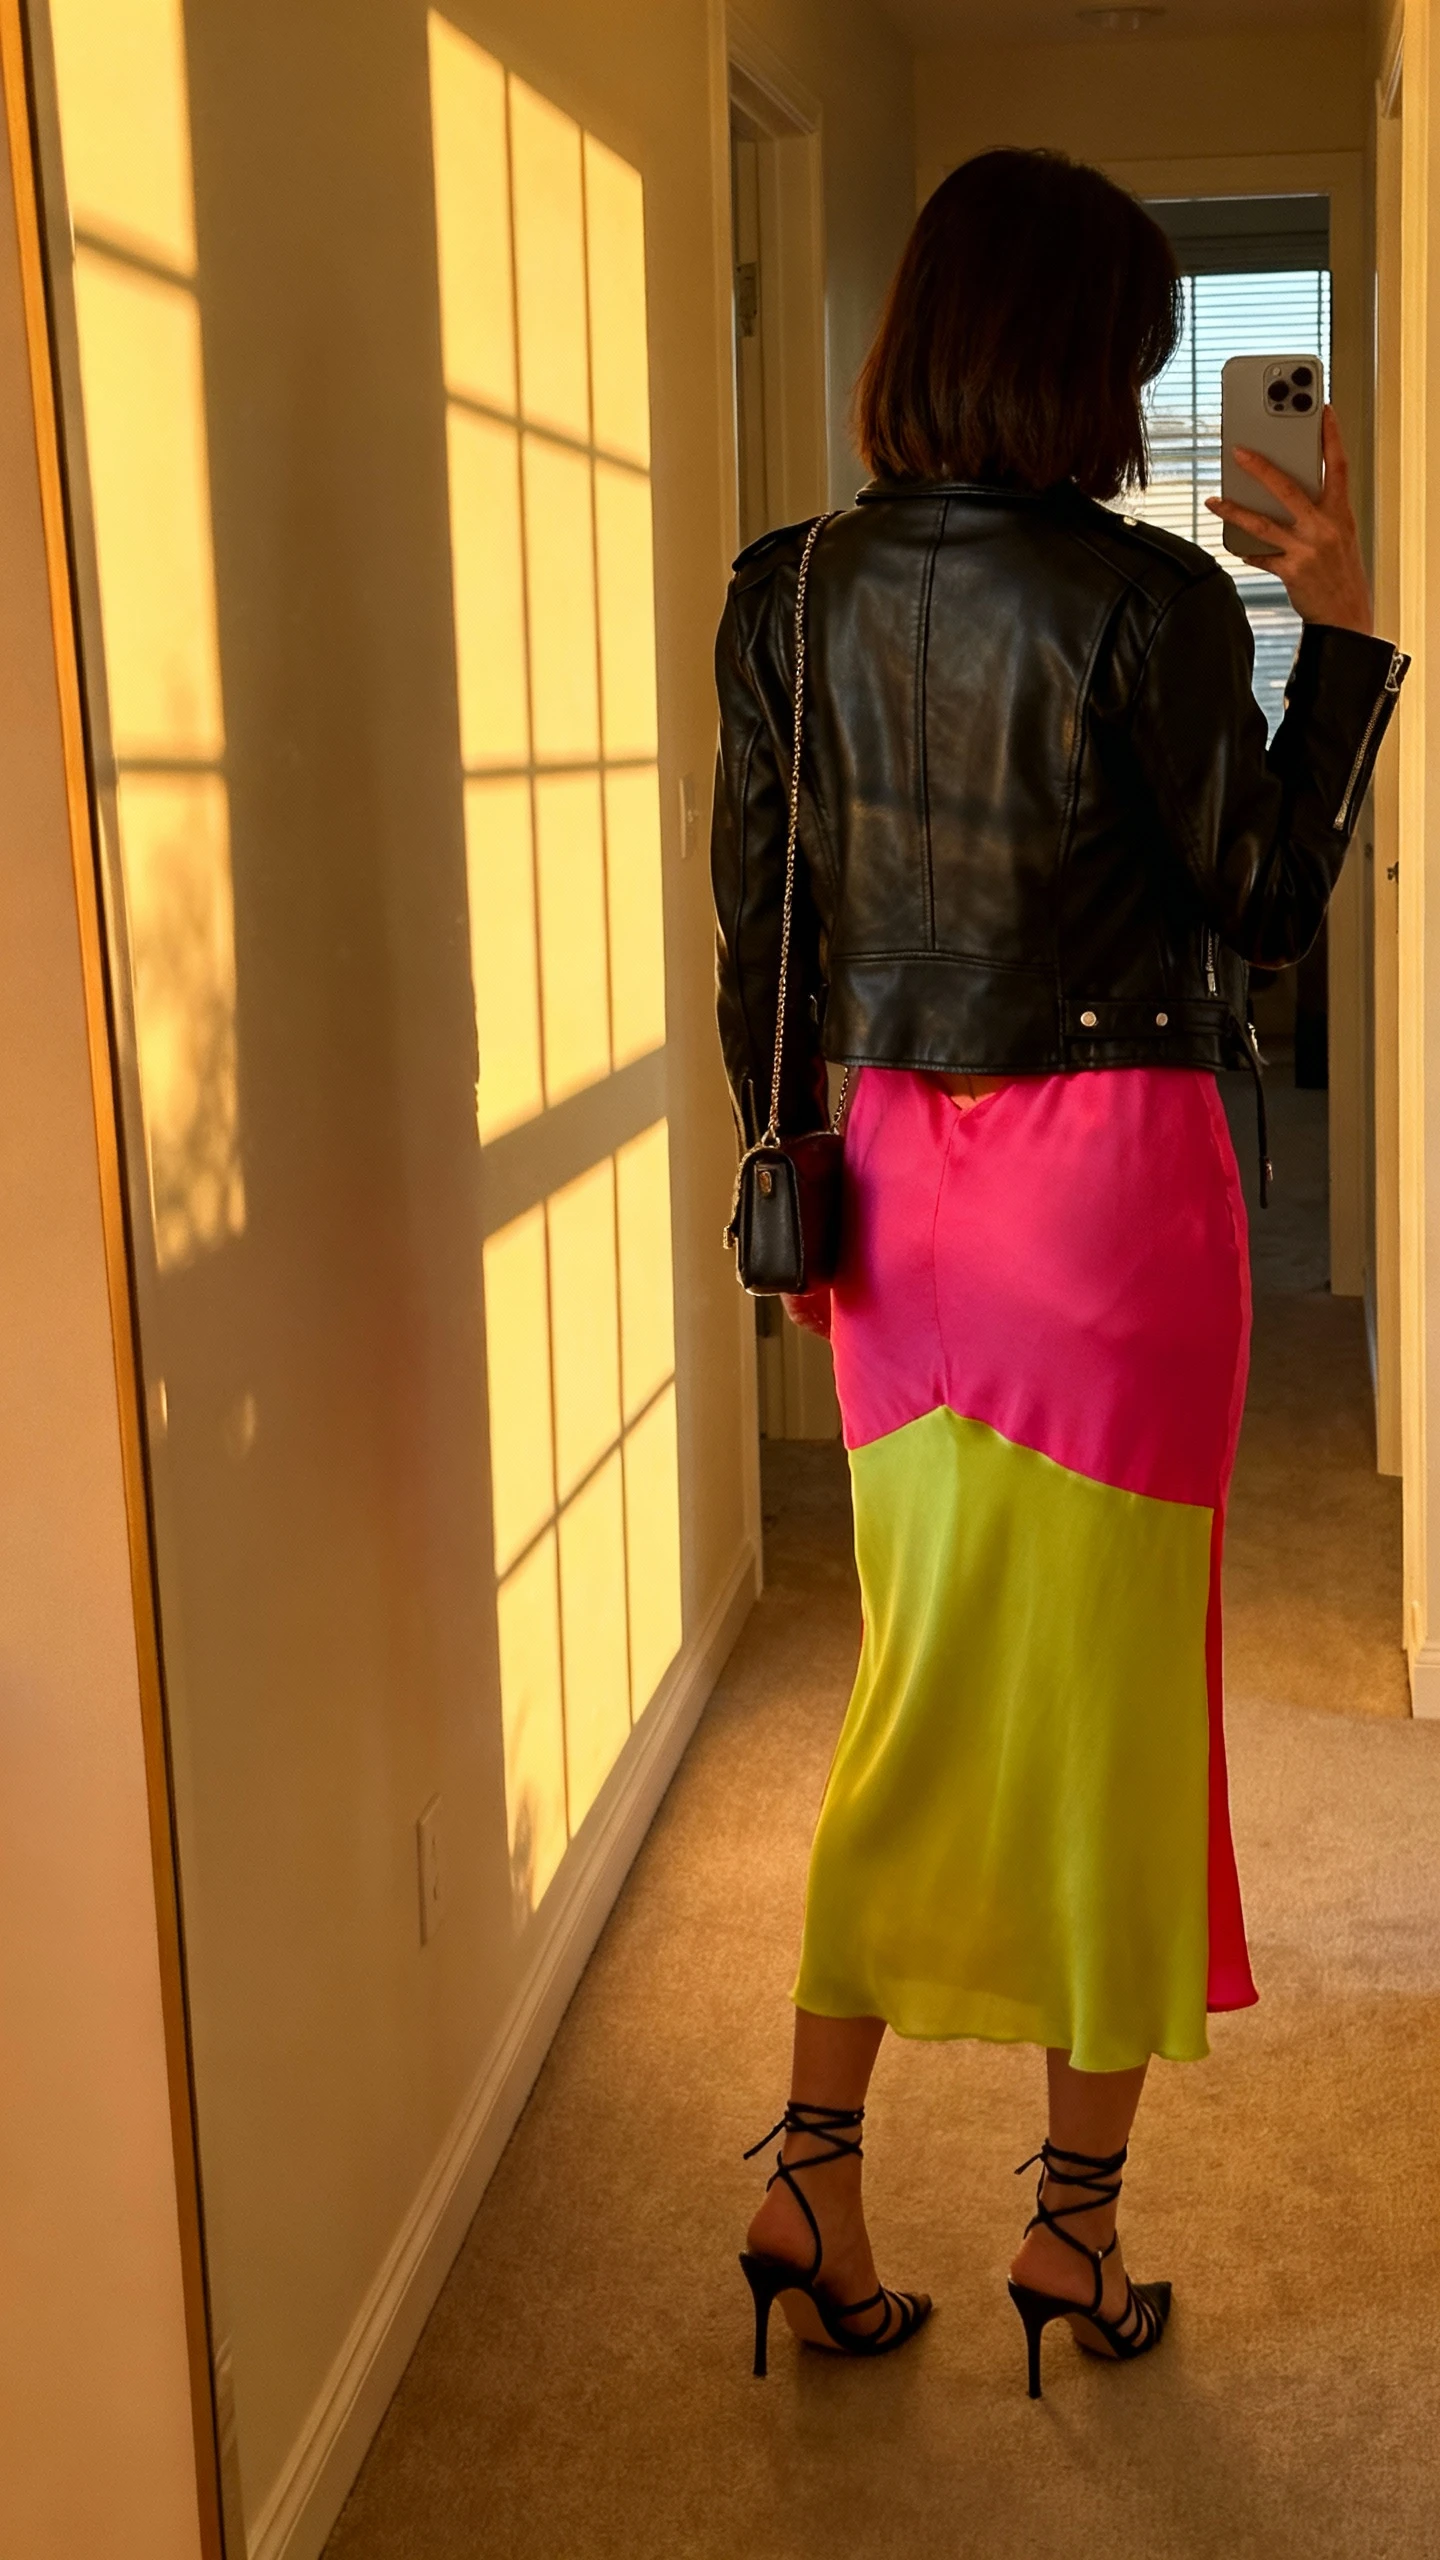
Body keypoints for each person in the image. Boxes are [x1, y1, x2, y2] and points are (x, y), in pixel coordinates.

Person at [710, 147, 1405, 2398]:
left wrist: (792, 1190)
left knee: (910, 1685)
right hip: (1112, 1201)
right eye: (1125, 343)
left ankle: (811, 2164)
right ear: (1077, 352)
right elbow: (1267, 911)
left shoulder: (779, 589)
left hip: (890, 1197)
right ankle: (1069, 2237)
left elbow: (768, 936)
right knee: (1113, 1712)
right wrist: (1350, 636)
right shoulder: (1151, 604)